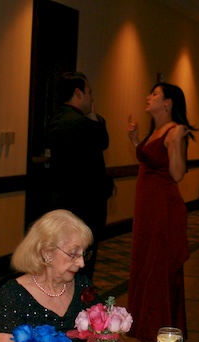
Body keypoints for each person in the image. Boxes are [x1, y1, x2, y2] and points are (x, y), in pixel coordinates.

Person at [125, 82, 198, 342]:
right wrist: (135, 140)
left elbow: (176, 174)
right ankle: (145, 325)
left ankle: (158, 327)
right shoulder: (155, 130)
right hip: (147, 206)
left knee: (158, 265)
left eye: (154, 94)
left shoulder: (173, 131)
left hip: (163, 209)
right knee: (146, 263)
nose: (148, 96)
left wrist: (178, 140)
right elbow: (148, 161)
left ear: (167, 103)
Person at [0, 209, 100, 342]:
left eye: (83, 254)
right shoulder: (13, 293)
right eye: (73, 254)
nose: (82, 263)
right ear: (46, 253)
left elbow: (100, 341)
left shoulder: (83, 286)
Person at [46, 72, 113, 279]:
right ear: (78, 92)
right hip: (85, 206)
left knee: (64, 258)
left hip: (63, 202)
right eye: (89, 92)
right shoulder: (80, 124)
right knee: (82, 262)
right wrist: (93, 115)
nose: (92, 98)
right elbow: (103, 141)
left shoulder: (56, 121)